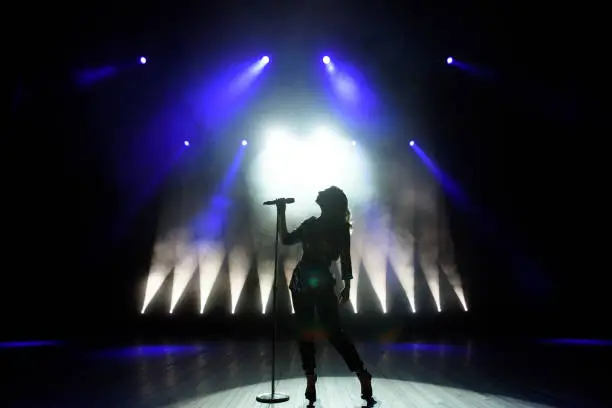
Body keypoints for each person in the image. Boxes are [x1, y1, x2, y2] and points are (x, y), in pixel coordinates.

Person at [277, 186, 375, 405]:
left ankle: (362, 374)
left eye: (323, 192)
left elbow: (345, 258)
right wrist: (281, 211)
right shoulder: (312, 224)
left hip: (318, 280)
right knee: (306, 332)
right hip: (302, 281)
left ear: (329, 202)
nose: (318, 192)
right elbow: (285, 239)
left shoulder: (339, 228)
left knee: (333, 332)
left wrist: (348, 285)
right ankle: (311, 379)